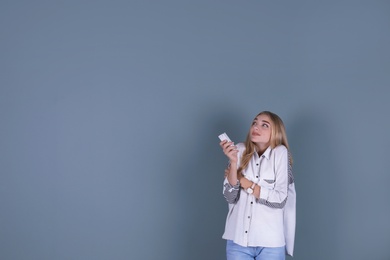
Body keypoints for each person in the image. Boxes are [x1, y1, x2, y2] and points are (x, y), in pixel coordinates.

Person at [219, 111, 296, 260]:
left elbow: (279, 199)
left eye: (264, 125)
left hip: (270, 243)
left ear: (276, 132)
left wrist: (245, 182)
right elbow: (230, 196)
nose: (256, 127)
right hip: (237, 241)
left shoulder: (280, 153)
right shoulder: (239, 150)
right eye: (254, 123)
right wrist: (234, 162)